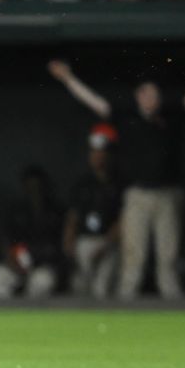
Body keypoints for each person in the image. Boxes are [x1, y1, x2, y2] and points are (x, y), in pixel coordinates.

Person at [48, 55, 185, 299]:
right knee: (134, 257)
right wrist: (68, 78)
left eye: (155, 94)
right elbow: (94, 102)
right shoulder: (126, 117)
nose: (151, 98)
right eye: (146, 94)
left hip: (168, 194)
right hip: (137, 195)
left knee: (168, 257)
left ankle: (174, 306)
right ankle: (126, 304)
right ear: (138, 96)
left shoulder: (172, 117)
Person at [0, 166, 64, 299]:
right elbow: (7, 241)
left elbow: (59, 248)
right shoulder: (17, 212)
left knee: (41, 282)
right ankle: (8, 315)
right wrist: (13, 262)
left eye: (37, 186)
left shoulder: (56, 212)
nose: (34, 190)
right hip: (17, 265)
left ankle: (33, 316)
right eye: (30, 186)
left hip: (42, 267)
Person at [63, 124, 124, 299]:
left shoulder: (120, 183)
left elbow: (123, 220)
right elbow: (72, 217)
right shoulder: (83, 184)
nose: (96, 156)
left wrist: (106, 244)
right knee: (80, 286)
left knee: (101, 289)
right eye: (93, 151)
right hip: (85, 242)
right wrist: (68, 241)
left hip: (109, 242)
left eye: (101, 152)